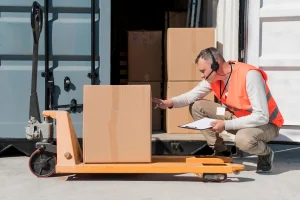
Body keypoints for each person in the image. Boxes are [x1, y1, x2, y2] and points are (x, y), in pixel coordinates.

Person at [152, 47, 284, 173]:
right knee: (197, 106)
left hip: (265, 124)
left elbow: (261, 116)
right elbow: (191, 96)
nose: (202, 76)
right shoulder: (214, 78)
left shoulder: (250, 75)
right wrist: (168, 103)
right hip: (238, 118)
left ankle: (265, 153)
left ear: (215, 65)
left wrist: (226, 124)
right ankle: (220, 151)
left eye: (203, 71)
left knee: (243, 140)